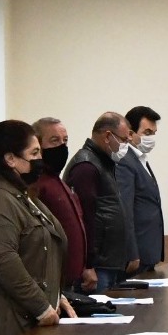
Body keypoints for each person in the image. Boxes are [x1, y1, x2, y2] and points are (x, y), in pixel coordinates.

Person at [0, 120, 75, 335]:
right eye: (34, 153)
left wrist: (56, 295)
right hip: (13, 325)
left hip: (31, 319)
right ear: (10, 159)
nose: (40, 160)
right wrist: (41, 306)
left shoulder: (21, 194)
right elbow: (1, 258)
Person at [64, 112, 135, 290]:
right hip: (97, 266)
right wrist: (87, 265)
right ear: (108, 136)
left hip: (108, 262)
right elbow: (84, 219)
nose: (126, 146)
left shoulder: (104, 163)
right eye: (124, 140)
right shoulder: (86, 166)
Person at [32, 116, 88, 289]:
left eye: (65, 140)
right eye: (54, 140)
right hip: (52, 280)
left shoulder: (57, 180)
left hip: (71, 278)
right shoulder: (36, 183)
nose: (62, 146)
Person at [117, 105, 165, 274]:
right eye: (147, 133)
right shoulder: (125, 161)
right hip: (137, 256)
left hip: (149, 252)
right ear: (130, 134)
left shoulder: (141, 160)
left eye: (153, 133)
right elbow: (126, 211)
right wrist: (132, 253)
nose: (151, 138)